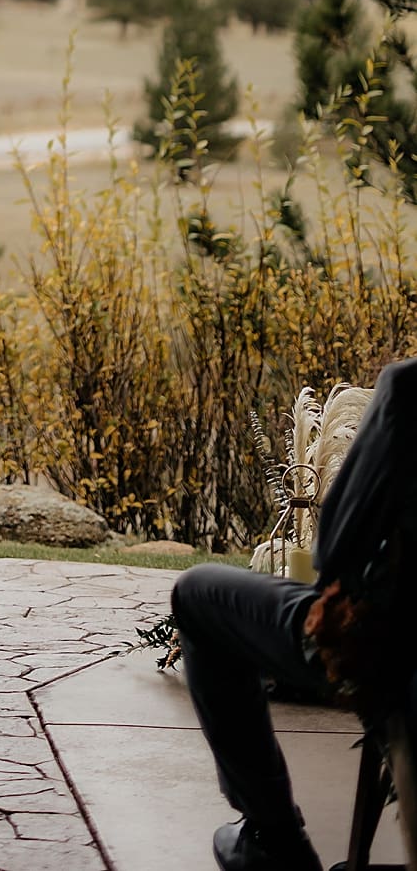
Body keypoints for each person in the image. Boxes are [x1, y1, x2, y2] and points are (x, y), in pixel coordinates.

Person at [172, 357, 417, 871]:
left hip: (390, 650)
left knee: (198, 595)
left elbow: (334, 557)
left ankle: (273, 839)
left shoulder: (409, 389)